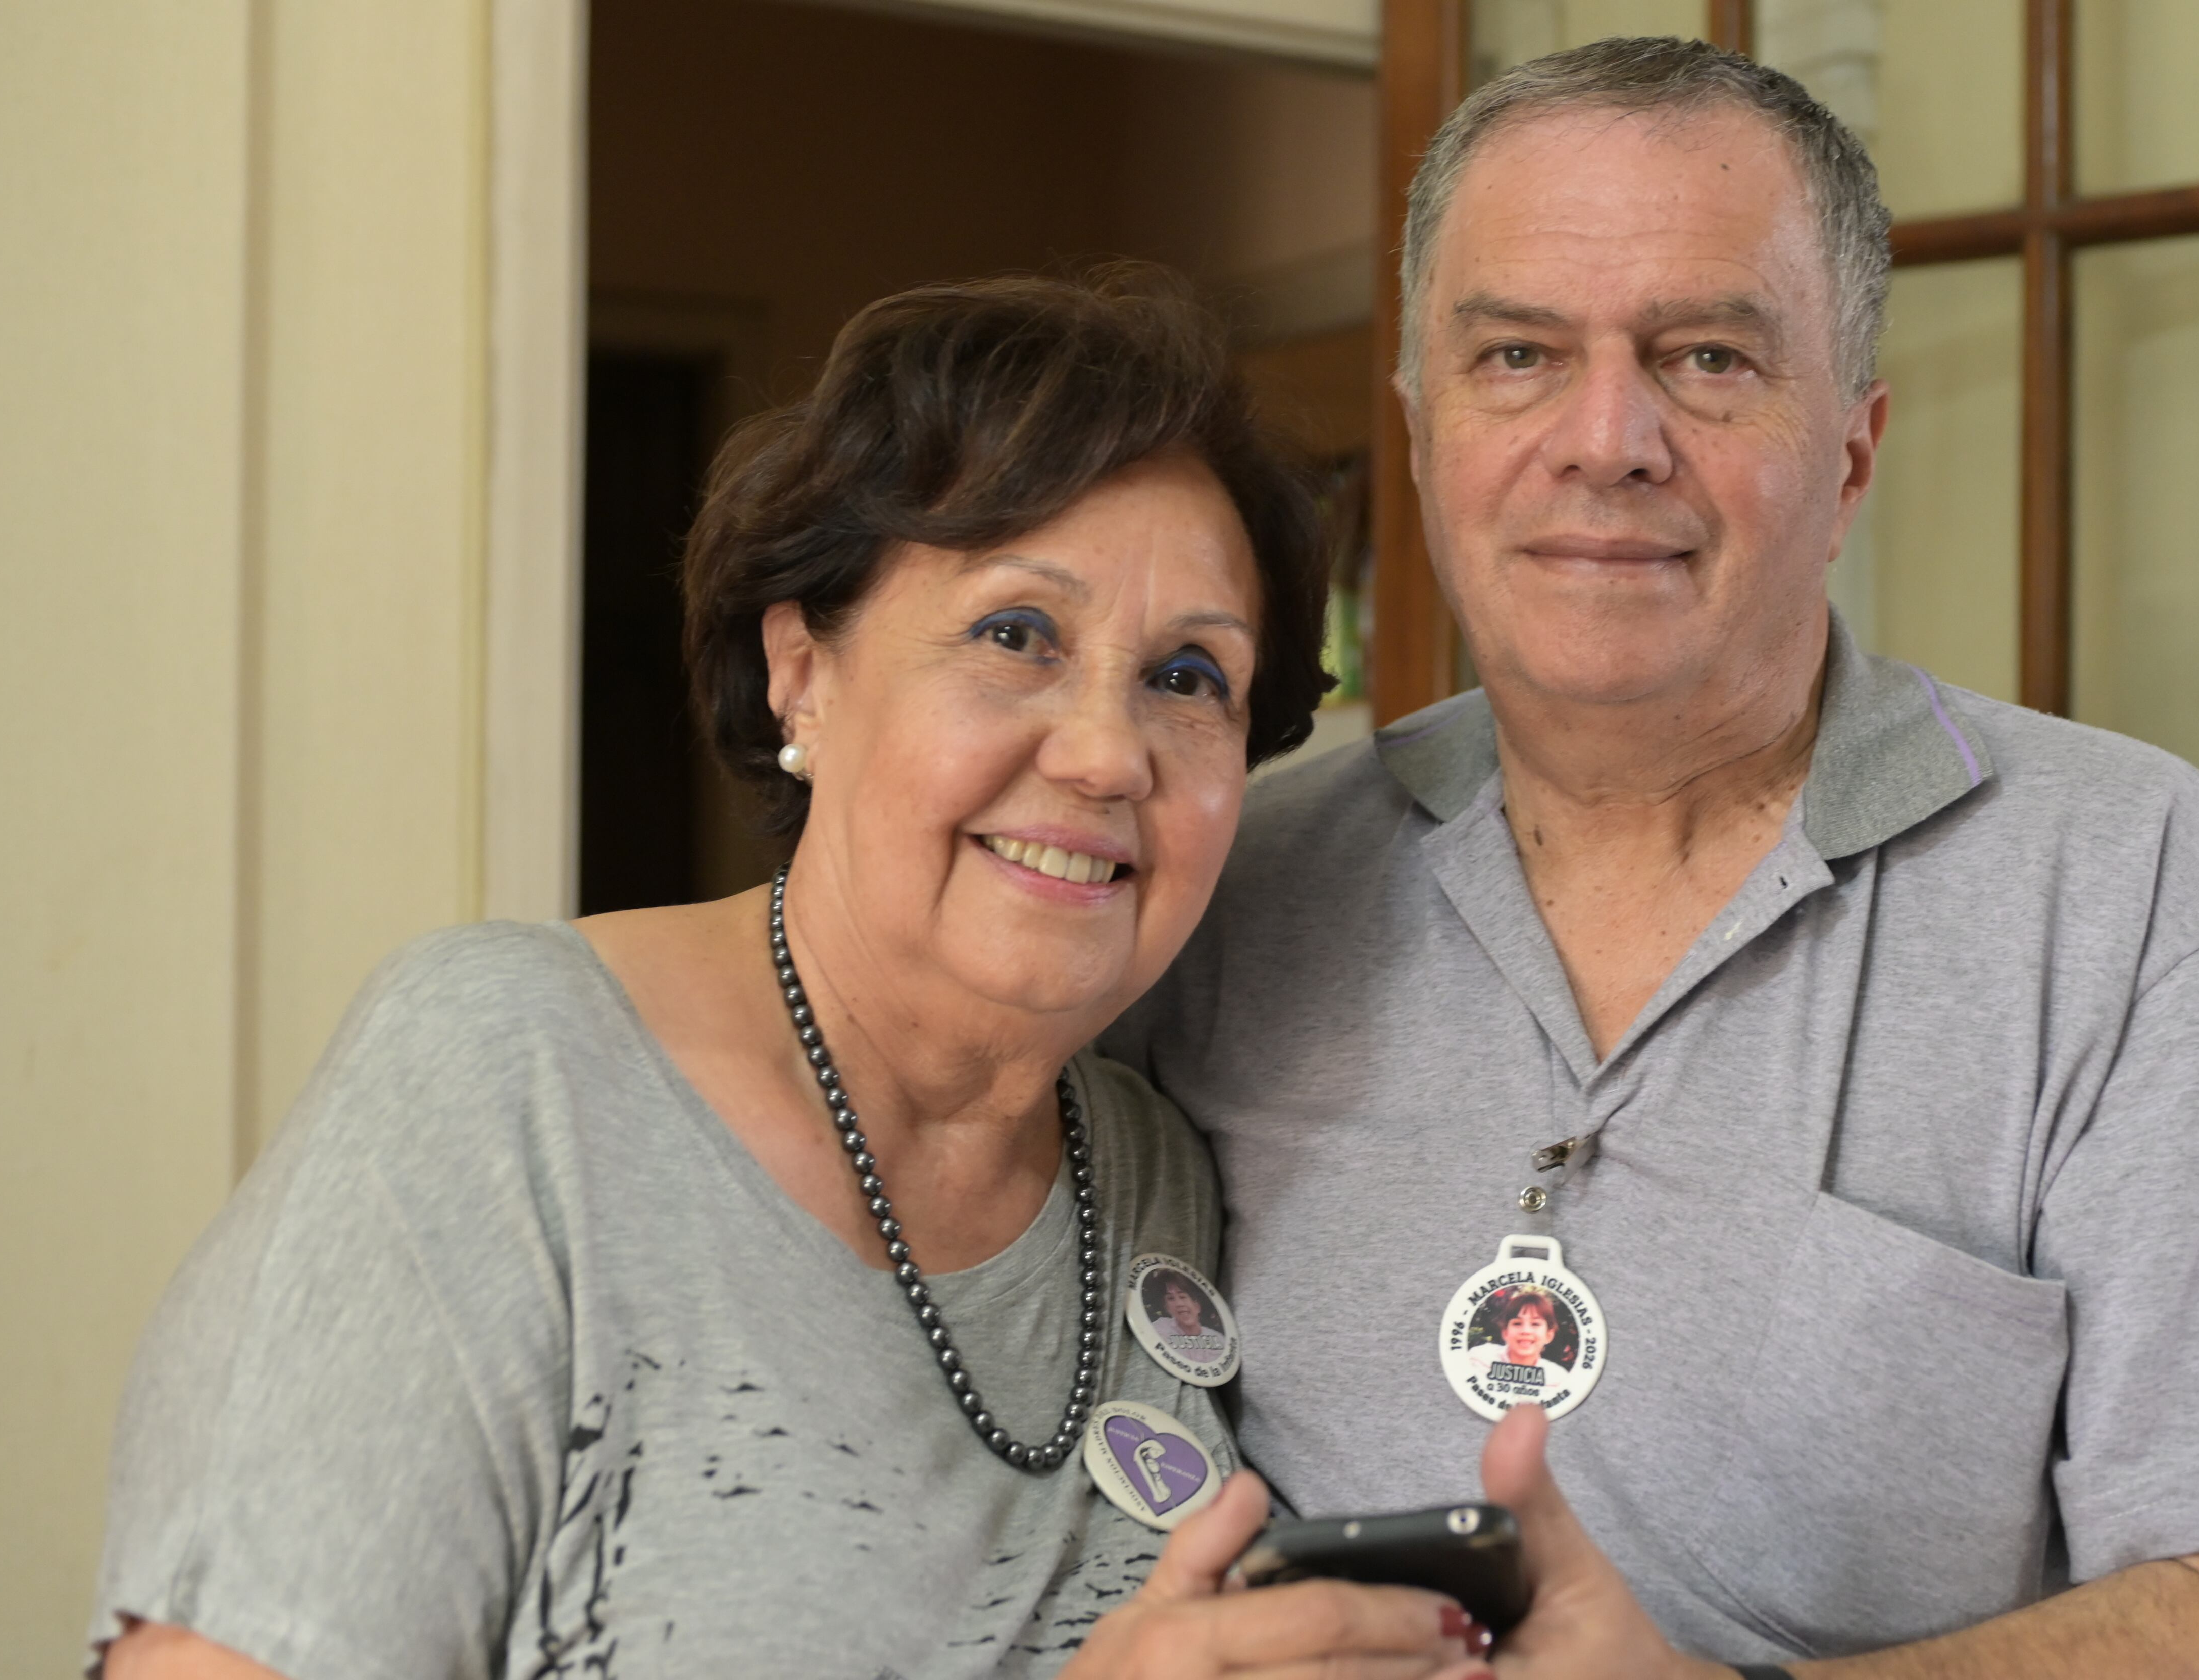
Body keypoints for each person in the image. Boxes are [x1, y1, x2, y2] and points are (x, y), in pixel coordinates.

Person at [1104, 38, 2199, 1675]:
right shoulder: (1226, 881)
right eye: (1520, 354)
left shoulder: (2121, 883)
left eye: (1705, 358)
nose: (1605, 437)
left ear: (1853, 449)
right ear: (1420, 435)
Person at [90, 271, 1493, 1680]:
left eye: (1190, 676)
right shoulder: (510, 1081)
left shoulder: (1160, 1172)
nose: (1106, 752)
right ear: (800, 670)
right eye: (1017, 634)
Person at [1465, 1290, 1569, 1399]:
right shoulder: (1479, 1359)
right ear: (1505, 1332)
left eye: (1535, 1324)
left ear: (1549, 1336)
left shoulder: (1558, 1380)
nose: (1526, 1331)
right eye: (1517, 1323)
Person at [1148, 1271, 1226, 1353]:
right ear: (1166, 1307)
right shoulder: (1160, 1329)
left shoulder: (1219, 1339)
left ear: (1197, 1305)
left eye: (1183, 1297)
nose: (1179, 1304)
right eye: (1171, 1298)